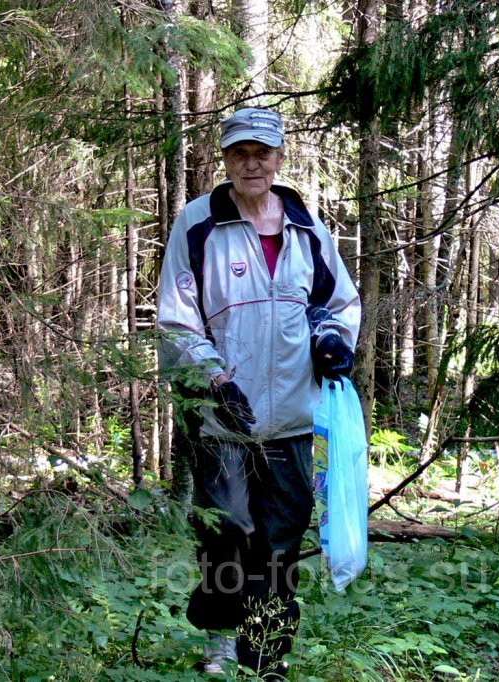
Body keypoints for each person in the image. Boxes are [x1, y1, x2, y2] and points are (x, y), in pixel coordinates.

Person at [156, 107, 360, 677]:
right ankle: (220, 640)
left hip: (292, 417)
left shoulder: (307, 227)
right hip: (223, 420)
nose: (252, 164)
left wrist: (332, 340)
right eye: (240, 153)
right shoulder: (198, 224)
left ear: (279, 158)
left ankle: (265, 651)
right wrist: (213, 379)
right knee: (228, 531)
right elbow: (176, 317)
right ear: (224, 159)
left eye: (262, 153)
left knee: (279, 538)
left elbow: (338, 303)